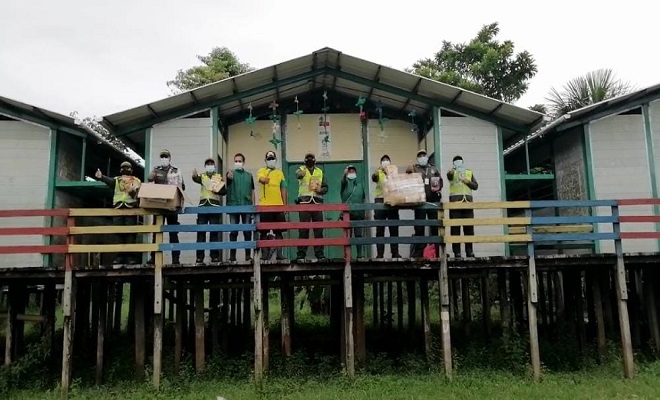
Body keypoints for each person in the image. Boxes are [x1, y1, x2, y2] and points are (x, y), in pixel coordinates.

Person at [95, 162, 142, 265]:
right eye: (123, 169)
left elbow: (138, 194)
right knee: (118, 233)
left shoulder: (136, 180)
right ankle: (120, 256)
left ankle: (130, 257)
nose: (125, 171)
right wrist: (101, 177)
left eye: (127, 169)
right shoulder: (117, 180)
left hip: (131, 208)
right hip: (118, 208)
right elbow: (109, 181)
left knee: (130, 233)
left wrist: (132, 191)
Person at [148, 149, 185, 266]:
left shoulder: (176, 171)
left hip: (171, 206)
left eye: (166, 156)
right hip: (159, 206)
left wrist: (177, 183)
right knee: (156, 233)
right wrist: (151, 177)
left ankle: (175, 258)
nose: (164, 158)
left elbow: (182, 186)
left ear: (169, 158)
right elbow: (150, 183)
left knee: (173, 232)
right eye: (162, 156)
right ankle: (153, 258)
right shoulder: (155, 170)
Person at [406, 149, 442, 258]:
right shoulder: (415, 168)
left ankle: (436, 251)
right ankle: (419, 253)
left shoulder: (433, 168)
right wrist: (408, 170)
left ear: (427, 157)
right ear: (417, 158)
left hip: (432, 202)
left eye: (423, 155)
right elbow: (408, 179)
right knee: (419, 228)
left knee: (435, 228)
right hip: (420, 203)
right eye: (420, 156)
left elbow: (440, 182)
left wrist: (438, 188)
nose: (422, 157)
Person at [192, 158, 227, 265]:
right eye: (207, 164)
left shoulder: (218, 177)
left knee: (214, 233)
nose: (210, 165)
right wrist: (193, 176)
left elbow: (224, 191)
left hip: (214, 206)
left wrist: (218, 188)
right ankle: (199, 257)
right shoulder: (202, 176)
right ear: (205, 166)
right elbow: (195, 179)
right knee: (201, 233)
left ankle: (214, 256)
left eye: (211, 164)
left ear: (214, 166)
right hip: (203, 206)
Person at [295, 152, 328, 261]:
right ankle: (301, 255)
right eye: (307, 158)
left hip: (317, 202)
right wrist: (303, 172)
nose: (310, 159)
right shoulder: (301, 169)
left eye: (312, 158)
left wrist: (320, 190)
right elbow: (298, 175)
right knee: (303, 230)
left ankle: (320, 254)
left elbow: (326, 188)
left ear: (315, 160)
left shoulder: (320, 171)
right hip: (304, 202)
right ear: (304, 160)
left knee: (318, 230)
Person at [256, 150, 288, 261]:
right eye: (268, 158)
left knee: (279, 231)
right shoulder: (261, 171)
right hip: (265, 206)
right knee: (264, 232)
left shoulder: (280, 173)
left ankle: (280, 254)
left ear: (276, 159)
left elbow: (283, 188)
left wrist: (285, 205)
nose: (271, 160)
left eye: (272, 158)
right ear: (265, 160)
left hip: (278, 205)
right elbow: (260, 178)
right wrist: (264, 179)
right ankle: (264, 254)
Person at [447, 155, 479, 258]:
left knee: (469, 228)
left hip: (467, 203)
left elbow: (476, 186)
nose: (458, 162)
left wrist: (467, 181)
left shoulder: (469, 172)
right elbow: (449, 176)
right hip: (455, 203)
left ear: (463, 162)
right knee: (455, 228)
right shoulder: (452, 172)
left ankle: (469, 251)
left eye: (459, 161)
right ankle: (457, 252)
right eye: (456, 161)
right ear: (453, 163)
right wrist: (450, 173)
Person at [226, 153, 255, 263]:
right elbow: (225, 185)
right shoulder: (230, 174)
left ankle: (248, 256)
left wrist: (253, 207)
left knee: (247, 232)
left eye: (239, 161)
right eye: (236, 161)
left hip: (246, 206)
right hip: (233, 206)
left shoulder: (249, 175)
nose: (237, 163)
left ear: (243, 162)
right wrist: (228, 177)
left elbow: (252, 191)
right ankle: (232, 257)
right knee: (233, 232)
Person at [372, 154, 402, 259]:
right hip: (380, 200)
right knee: (380, 229)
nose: (385, 161)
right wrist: (378, 171)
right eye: (383, 160)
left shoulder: (394, 172)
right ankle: (380, 254)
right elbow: (374, 178)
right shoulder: (378, 172)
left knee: (394, 228)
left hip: (392, 200)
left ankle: (395, 252)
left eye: (387, 160)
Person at [341, 164, 366, 259]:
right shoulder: (344, 183)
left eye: (353, 171)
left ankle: (360, 255)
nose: (351, 173)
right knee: (347, 236)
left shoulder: (360, 184)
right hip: (348, 214)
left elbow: (364, 197)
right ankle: (347, 256)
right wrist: (344, 175)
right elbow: (342, 181)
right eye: (350, 171)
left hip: (359, 214)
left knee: (359, 235)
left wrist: (365, 212)